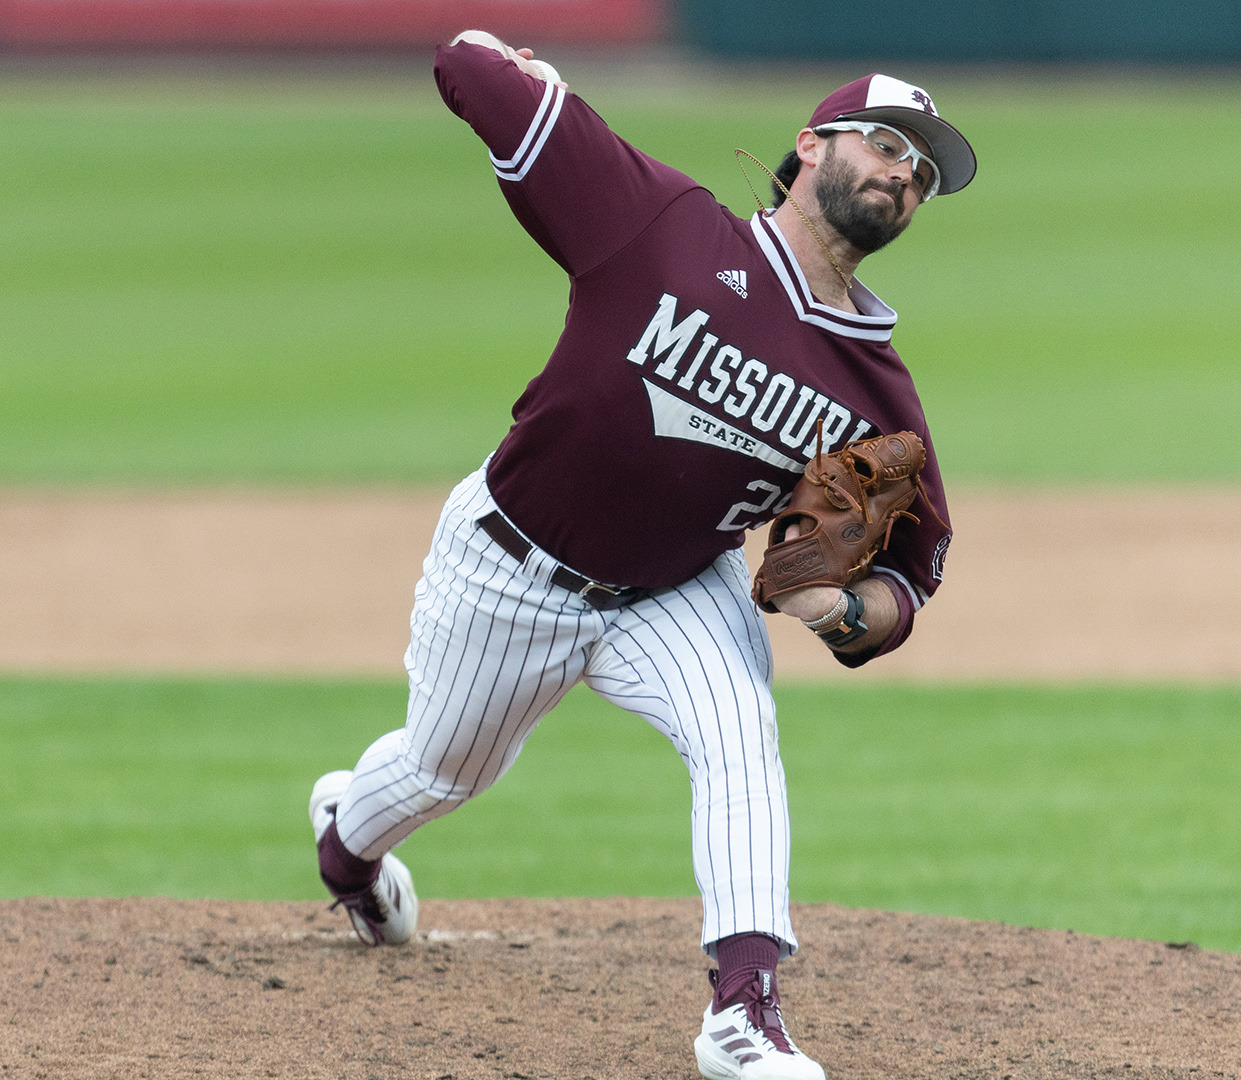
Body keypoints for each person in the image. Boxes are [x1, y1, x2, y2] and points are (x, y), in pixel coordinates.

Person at [306, 31, 974, 1080]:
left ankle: (744, 1011)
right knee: (445, 768)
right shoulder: (659, 224)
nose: (904, 172)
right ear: (811, 145)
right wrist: (515, 69)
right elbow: (467, 73)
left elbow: (909, 577)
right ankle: (347, 843)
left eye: (924, 171)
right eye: (887, 142)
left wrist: (847, 616)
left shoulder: (874, 393)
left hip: (676, 585)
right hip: (510, 563)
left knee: (739, 731)